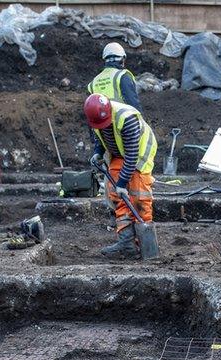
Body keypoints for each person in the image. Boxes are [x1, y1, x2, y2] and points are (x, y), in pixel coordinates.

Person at [84, 93, 157, 258]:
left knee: (139, 199)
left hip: (139, 155)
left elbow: (132, 155)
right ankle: (127, 244)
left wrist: (123, 182)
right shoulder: (95, 117)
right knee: (116, 195)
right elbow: (99, 136)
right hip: (118, 154)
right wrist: (97, 153)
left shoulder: (127, 118)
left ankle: (147, 248)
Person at [87, 42, 141, 112]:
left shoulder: (93, 82)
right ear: (122, 59)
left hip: (102, 120)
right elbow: (133, 104)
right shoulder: (122, 76)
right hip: (122, 120)